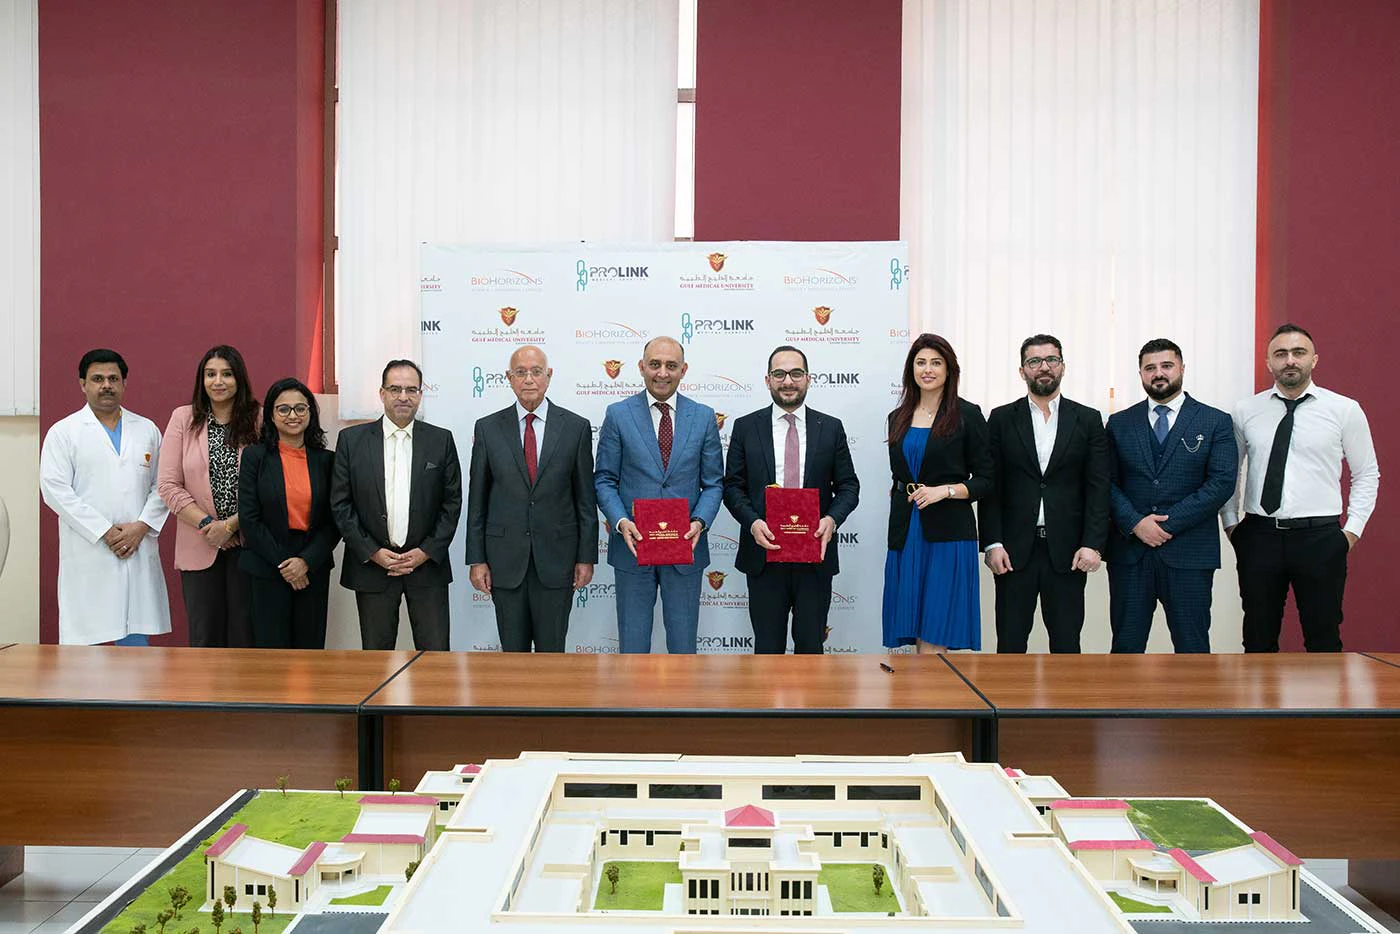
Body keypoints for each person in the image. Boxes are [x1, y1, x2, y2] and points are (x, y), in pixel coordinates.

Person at [1222, 324, 1379, 652]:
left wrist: (1351, 532)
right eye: (1281, 354)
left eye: (1298, 352)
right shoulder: (1245, 411)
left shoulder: (1344, 409)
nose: (1290, 360)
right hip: (1259, 536)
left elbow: (1366, 474)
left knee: (1323, 639)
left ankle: (1323, 692)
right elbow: (1229, 473)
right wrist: (1232, 525)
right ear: (1269, 362)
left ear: (1314, 359)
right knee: (1257, 639)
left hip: (1320, 539)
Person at [723, 346, 860, 654]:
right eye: (779, 374)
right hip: (764, 554)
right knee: (767, 650)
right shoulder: (746, 427)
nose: (788, 381)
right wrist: (753, 522)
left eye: (796, 373)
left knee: (811, 648)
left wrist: (831, 519)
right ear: (768, 380)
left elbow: (849, 486)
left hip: (815, 555)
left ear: (808, 379)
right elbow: (732, 487)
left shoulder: (831, 427)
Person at [1104, 339, 1236, 653]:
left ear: (1182, 369)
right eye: (1150, 368)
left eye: (1166, 366)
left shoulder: (1215, 421)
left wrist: (1165, 525)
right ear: (1140, 374)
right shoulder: (1119, 423)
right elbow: (1105, 483)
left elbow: (1221, 483)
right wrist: (1136, 523)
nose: (1158, 373)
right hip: (1131, 554)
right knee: (1125, 648)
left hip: (1190, 553)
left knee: (1193, 648)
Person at [594, 336, 723, 654]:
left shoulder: (703, 416)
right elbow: (605, 479)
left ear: (683, 370)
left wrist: (699, 522)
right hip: (633, 548)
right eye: (654, 364)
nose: (662, 373)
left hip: (685, 548)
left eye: (670, 365)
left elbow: (714, 483)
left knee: (683, 649)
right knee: (632, 648)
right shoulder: (618, 414)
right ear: (641, 367)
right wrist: (621, 521)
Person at [980, 334, 1109, 654]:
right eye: (1034, 361)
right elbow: (991, 486)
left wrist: (1093, 544)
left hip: (1069, 552)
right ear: (1022, 371)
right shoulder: (1001, 418)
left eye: (1051, 359)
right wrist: (993, 543)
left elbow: (1098, 487)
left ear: (1063, 366)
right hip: (1012, 553)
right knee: (1010, 644)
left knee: (1067, 644)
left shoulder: (1088, 419)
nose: (1044, 367)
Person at [465, 346, 598, 652]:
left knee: (552, 653)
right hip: (504, 562)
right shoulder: (487, 428)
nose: (528, 379)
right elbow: (477, 501)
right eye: (520, 372)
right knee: (513, 655)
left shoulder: (575, 428)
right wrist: (477, 559)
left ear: (548, 376)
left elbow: (585, 500)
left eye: (536, 372)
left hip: (558, 561)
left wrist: (586, 557)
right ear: (508, 378)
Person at [39, 349, 171, 645]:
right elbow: (55, 490)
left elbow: (163, 485)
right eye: (97, 379)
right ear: (82, 384)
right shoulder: (64, 432)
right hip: (90, 551)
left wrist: (141, 527)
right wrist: (105, 531)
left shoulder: (146, 429)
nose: (106, 385)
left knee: (135, 650)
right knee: (89, 651)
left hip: (137, 546)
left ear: (124, 383)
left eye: (113, 379)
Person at [332, 359, 462, 651]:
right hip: (373, 568)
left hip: (427, 569)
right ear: (382, 393)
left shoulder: (441, 440)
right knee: (376, 660)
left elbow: (451, 503)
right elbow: (341, 504)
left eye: (411, 390)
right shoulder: (351, 441)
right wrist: (372, 552)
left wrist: (425, 552)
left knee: (435, 659)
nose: (403, 396)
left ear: (420, 394)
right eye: (395, 389)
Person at [882, 334, 993, 653]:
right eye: (920, 363)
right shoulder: (897, 417)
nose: (927, 370)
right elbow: (900, 476)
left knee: (936, 629)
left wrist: (945, 491)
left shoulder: (967, 414)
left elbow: (986, 479)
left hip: (948, 533)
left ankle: (932, 687)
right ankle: (923, 686)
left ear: (949, 370)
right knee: (915, 626)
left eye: (935, 363)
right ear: (911, 369)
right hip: (907, 532)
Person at [157, 345, 261, 647]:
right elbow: (168, 485)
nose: (218, 381)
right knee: (205, 638)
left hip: (248, 543)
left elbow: (268, 485)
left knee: (245, 636)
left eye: (227, 374)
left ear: (239, 378)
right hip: (198, 543)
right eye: (210, 374)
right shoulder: (183, 418)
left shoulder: (258, 418)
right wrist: (209, 526)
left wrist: (229, 526)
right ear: (201, 380)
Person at [238, 378, 340, 649]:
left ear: (310, 413)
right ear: (271, 415)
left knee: (310, 652)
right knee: (272, 656)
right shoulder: (254, 457)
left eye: (300, 408)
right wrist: (286, 565)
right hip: (267, 564)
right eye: (283, 409)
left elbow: (334, 521)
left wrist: (305, 562)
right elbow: (249, 518)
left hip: (312, 565)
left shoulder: (327, 460)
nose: (293, 415)